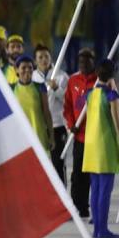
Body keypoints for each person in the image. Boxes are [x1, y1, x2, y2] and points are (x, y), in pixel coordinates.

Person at [83, 60, 119, 238]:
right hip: (106, 145)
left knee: (95, 188)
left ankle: (97, 228)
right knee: (105, 189)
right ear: (113, 75)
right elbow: (118, 122)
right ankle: (102, 229)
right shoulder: (111, 95)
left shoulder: (90, 94)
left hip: (91, 146)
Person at [65, 48, 98, 217]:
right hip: (79, 136)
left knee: (93, 175)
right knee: (77, 174)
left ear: (94, 61)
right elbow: (68, 106)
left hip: (95, 138)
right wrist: (71, 124)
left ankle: (90, 207)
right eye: (81, 62)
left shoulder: (99, 81)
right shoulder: (73, 80)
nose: (83, 64)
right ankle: (78, 206)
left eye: (87, 61)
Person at [34, 45, 70, 182]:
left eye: (46, 56)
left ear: (51, 57)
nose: (44, 60)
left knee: (58, 164)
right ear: (35, 60)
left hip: (57, 126)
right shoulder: (32, 77)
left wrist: (56, 89)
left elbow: (68, 100)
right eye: (40, 57)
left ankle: (61, 199)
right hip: (39, 127)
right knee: (41, 165)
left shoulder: (61, 76)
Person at [12, 55, 53, 152]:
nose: (27, 70)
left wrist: (51, 136)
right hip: (19, 139)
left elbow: (46, 112)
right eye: (23, 68)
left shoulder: (40, 87)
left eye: (30, 68)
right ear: (17, 70)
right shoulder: (10, 88)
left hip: (39, 137)